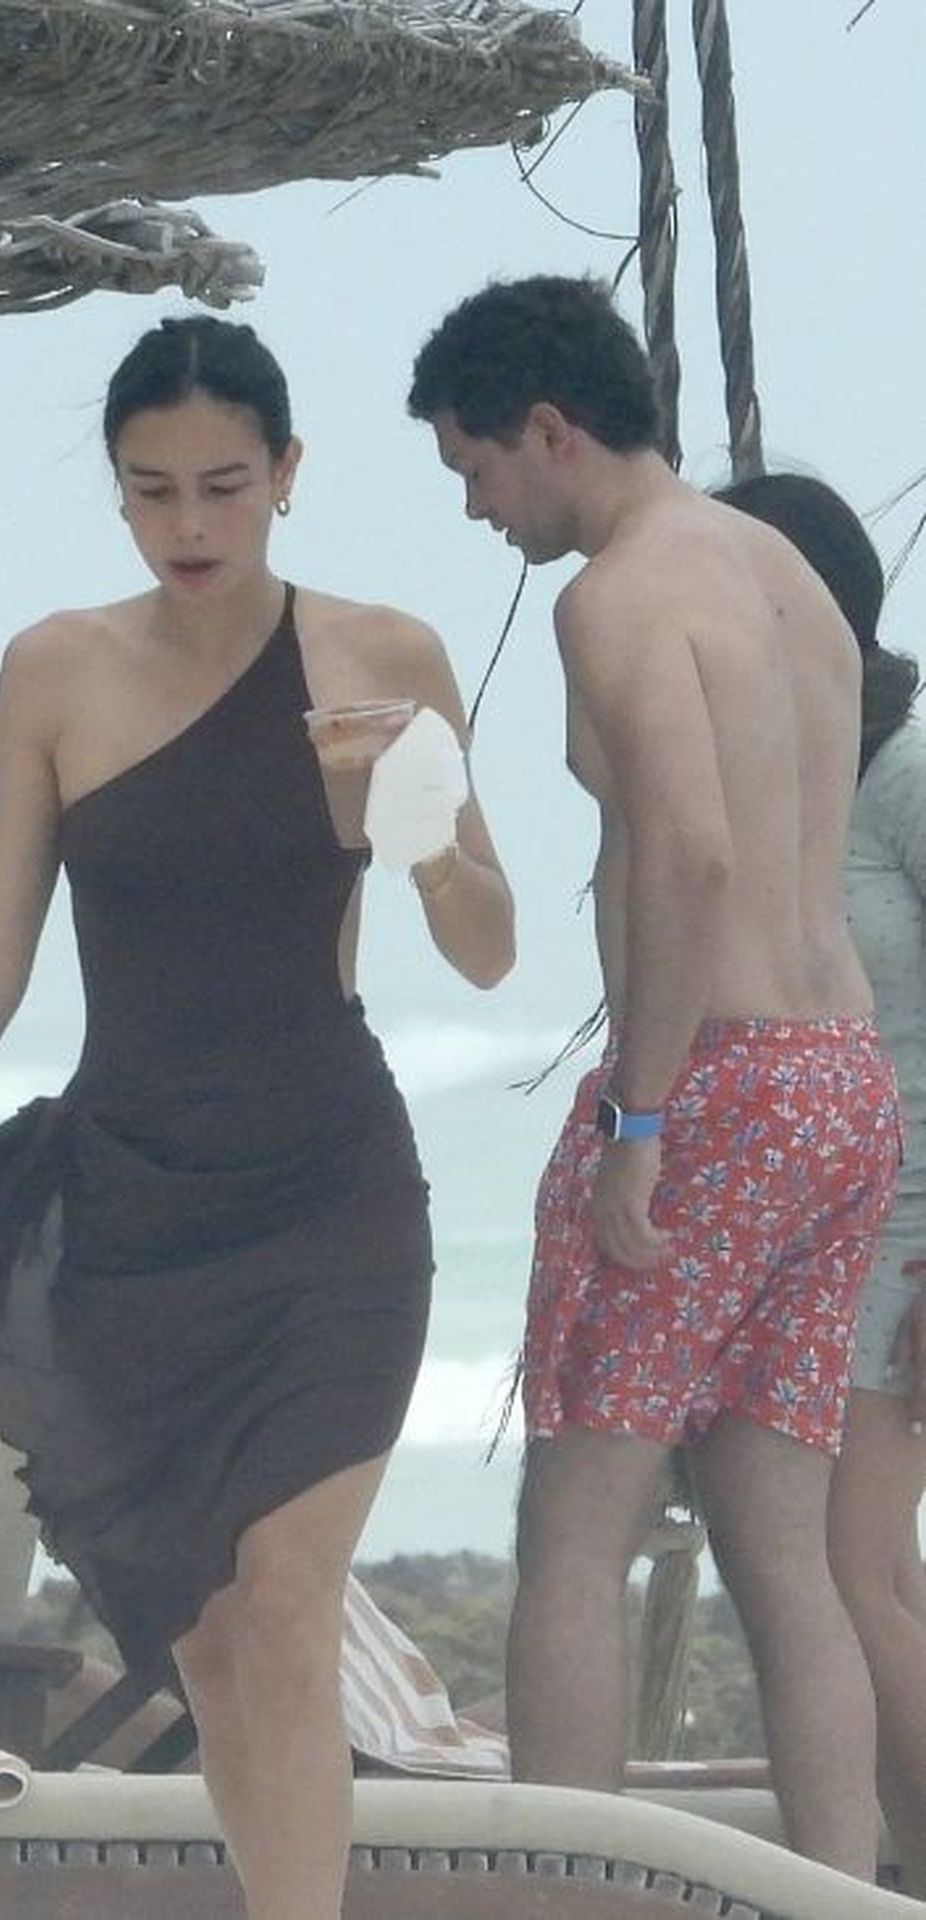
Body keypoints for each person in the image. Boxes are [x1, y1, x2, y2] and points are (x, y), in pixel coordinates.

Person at [0, 314, 514, 1920]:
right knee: (213, 1639)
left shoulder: (387, 656)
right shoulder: (54, 670)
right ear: (117, 489)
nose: (189, 525)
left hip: (329, 1200)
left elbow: (489, 944)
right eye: (151, 490)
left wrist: (420, 836)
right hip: (133, 1206)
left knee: (288, 1609)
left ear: (288, 473)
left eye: (223, 487)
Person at [407, 275, 900, 1879]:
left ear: (550, 431)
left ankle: (559, 1902)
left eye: (478, 465)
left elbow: (687, 850)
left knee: (574, 1532)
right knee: (784, 1551)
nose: (478, 507)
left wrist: (640, 1117)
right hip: (841, 1080)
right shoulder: (779, 570)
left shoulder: (616, 596)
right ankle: (840, 1896)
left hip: (717, 1083)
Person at [714, 471, 926, 1891]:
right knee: (870, 1576)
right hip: (819, 1231)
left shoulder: (903, 770)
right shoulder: (776, 771)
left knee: (852, 1576)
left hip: (906, 1231)